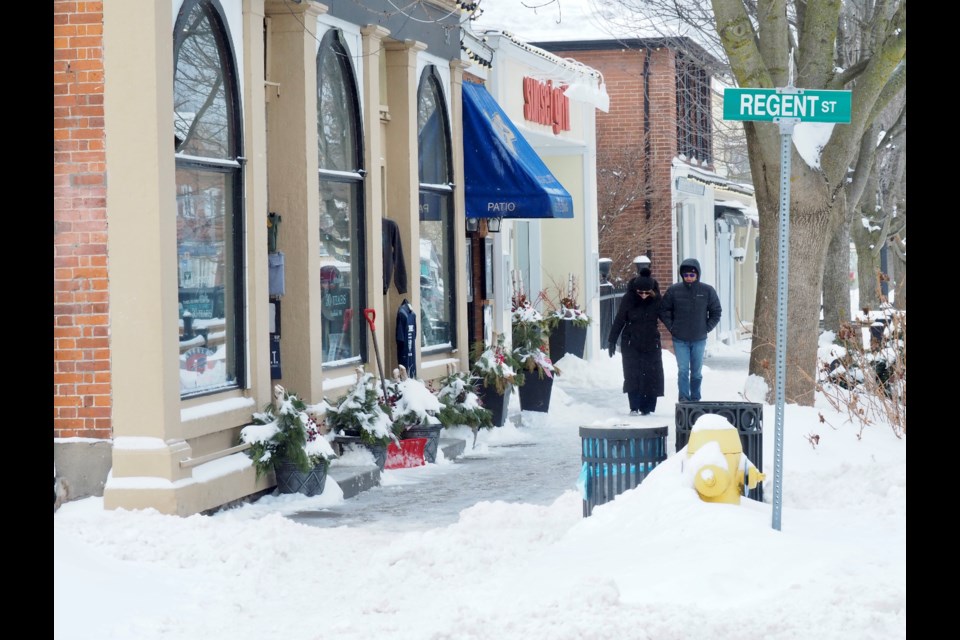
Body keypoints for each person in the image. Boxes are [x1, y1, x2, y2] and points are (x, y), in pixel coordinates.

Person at [659, 258, 722, 402]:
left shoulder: (707, 291)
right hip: (679, 339)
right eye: (686, 275)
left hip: (699, 339)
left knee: (696, 373)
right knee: (682, 371)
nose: (688, 278)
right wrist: (672, 327)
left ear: (697, 275)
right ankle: (684, 399)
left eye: (692, 275)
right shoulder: (674, 290)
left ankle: (695, 399)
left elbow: (716, 311)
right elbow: (664, 310)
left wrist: (706, 327)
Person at [607, 273, 665, 415]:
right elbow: (620, 319)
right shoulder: (628, 299)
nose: (644, 295)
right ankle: (634, 406)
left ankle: (648, 408)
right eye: (640, 292)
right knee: (632, 374)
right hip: (631, 341)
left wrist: (678, 332)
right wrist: (612, 340)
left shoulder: (657, 300)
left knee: (652, 374)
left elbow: (667, 318)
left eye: (647, 292)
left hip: (651, 342)